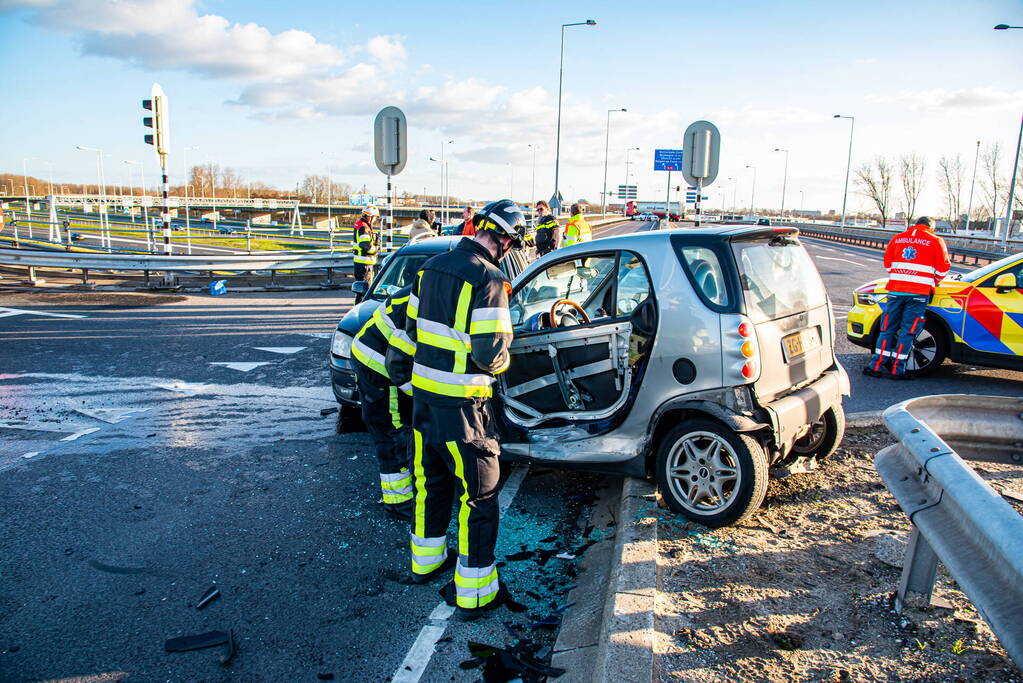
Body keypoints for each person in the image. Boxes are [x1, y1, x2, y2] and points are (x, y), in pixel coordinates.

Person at [385, 198, 523, 619]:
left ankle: (424, 563)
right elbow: (491, 355)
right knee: (479, 495)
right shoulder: (490, 279)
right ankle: (476, 592)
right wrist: (506, 357)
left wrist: (409, 384)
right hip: (465, 408)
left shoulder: (429, 269)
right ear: (503, 240)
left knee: (430, 484)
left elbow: (407, 338)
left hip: (424, 404)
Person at [352, 286, 416, 520]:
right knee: (392, 432)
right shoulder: (426, 304)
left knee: (403, 427)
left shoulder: (430, 286)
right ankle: (398, 503)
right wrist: (419, 396)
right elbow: (398, 366)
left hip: (380, 358)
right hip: (378, 368)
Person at [864, 216, 950, 379]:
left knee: (887, 329)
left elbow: (888, 264)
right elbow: (943, 269)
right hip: (918, 294)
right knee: (907, 331)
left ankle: (875, 366)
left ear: (915, 224)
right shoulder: (935, 241)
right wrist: (933, 281)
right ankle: (898, 370)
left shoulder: (897, 239)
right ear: (931, 226)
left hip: (895, 292)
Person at [352, 206, 380, 302]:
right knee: (365, 291)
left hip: (361, 262)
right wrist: (375, 249)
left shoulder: (361, 224)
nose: (375, 219)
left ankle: (358, 308)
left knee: (361, 290)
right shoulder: (364, 227)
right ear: (369, 216)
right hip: (364, 263)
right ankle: (360, 311)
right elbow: (365, 245)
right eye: (375, 217)